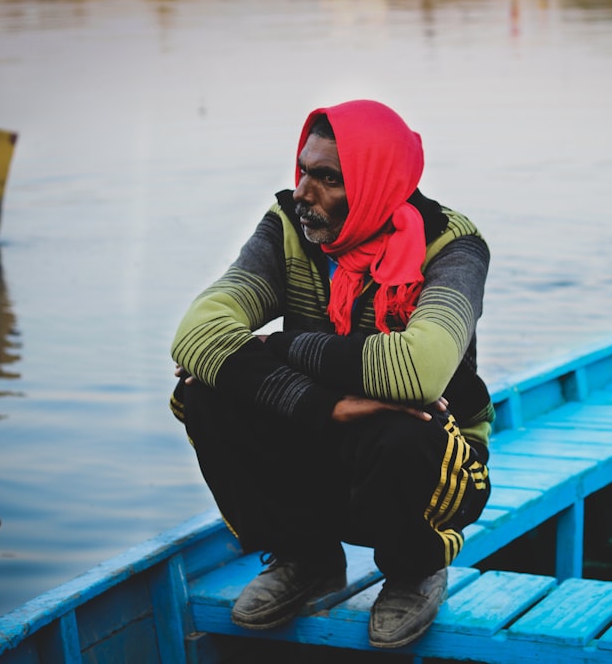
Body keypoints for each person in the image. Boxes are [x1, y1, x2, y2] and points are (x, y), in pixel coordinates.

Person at [169, 99, 493, 649]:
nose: (302, 192)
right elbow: (195, 334)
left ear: (374, 182)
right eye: (303, 171)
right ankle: (306, 556)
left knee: (405, 422)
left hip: (434, 459)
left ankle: (414, 569)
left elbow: (420, 370)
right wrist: (329, 404)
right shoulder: (289, 230)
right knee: (203, 393)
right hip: (323, 438)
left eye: (326, 178)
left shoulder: (452, 246)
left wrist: (282, 344)